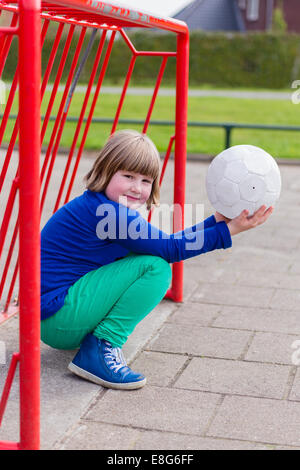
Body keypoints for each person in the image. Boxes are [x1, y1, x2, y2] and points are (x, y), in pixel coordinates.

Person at [40, 129, 273, 390]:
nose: (136, 188)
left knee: (148, 254)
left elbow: (165, 243)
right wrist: (229, 230)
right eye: (128, 176)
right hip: (57, 317)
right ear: (105, 171)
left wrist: (217, 221)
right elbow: (169, 249)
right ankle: (101, 348)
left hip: (53, 318)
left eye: (146, 181)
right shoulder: (109, 214)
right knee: (156, 268)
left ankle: (95, 344)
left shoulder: (101, 206)